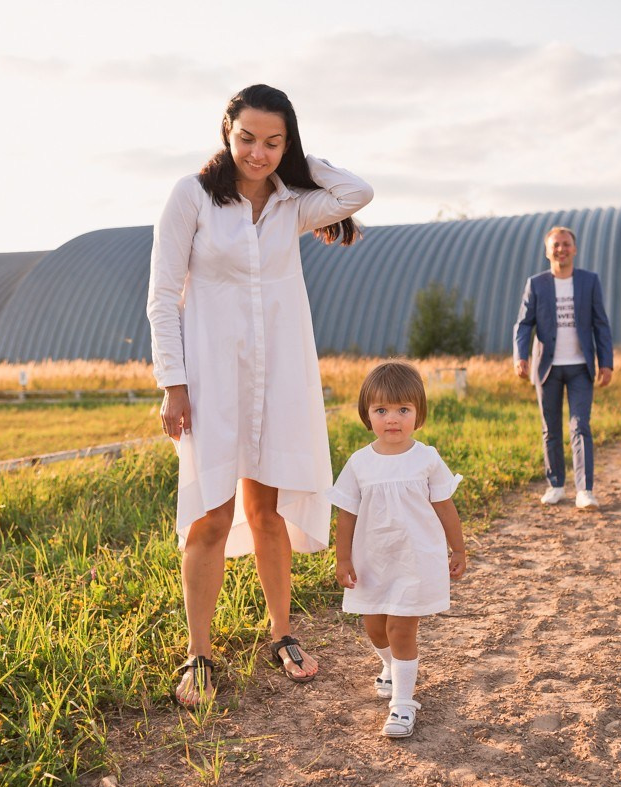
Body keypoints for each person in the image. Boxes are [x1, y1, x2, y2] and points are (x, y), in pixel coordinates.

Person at [146, 84, 373, 706]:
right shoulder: (191, 196)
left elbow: (357, 192)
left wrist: (299, 162)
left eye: (274, 142)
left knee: (266, 514)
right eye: (247, 137)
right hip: (210, 380)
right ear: (227, 133)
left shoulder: (291, 204)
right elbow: (163, 296)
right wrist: (174, 383)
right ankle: (199, 653)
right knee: (211, 518)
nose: (258, 152)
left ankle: (282, 633)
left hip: (276, 378)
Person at [328, 361, 467, 738]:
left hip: (415, 561)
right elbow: (346, 516)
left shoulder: (426, 458)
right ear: (367, 414)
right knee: (376, 629)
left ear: (418, 414)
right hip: (373, 561)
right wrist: (343, 558)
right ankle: (389, 666)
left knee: (401, 628)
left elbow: (444, 506)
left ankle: (403, 705)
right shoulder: (359, 463)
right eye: (382, 410)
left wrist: (458, 549)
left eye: (403, 410)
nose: (393, 419)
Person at [513, 226, 614, 511]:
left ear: (575, 248)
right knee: (551, 429)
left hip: (581, 367)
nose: (561, 249)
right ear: (547, 251)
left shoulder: (589, 281)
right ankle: (556, 485)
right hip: (547, 368)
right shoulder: (536, 284)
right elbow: (523, 324)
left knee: (580, 426)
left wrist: (606, 362)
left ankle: (585, 490)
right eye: (556, 245)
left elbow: (600, 323)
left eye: (566, 244)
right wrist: (520, 356)